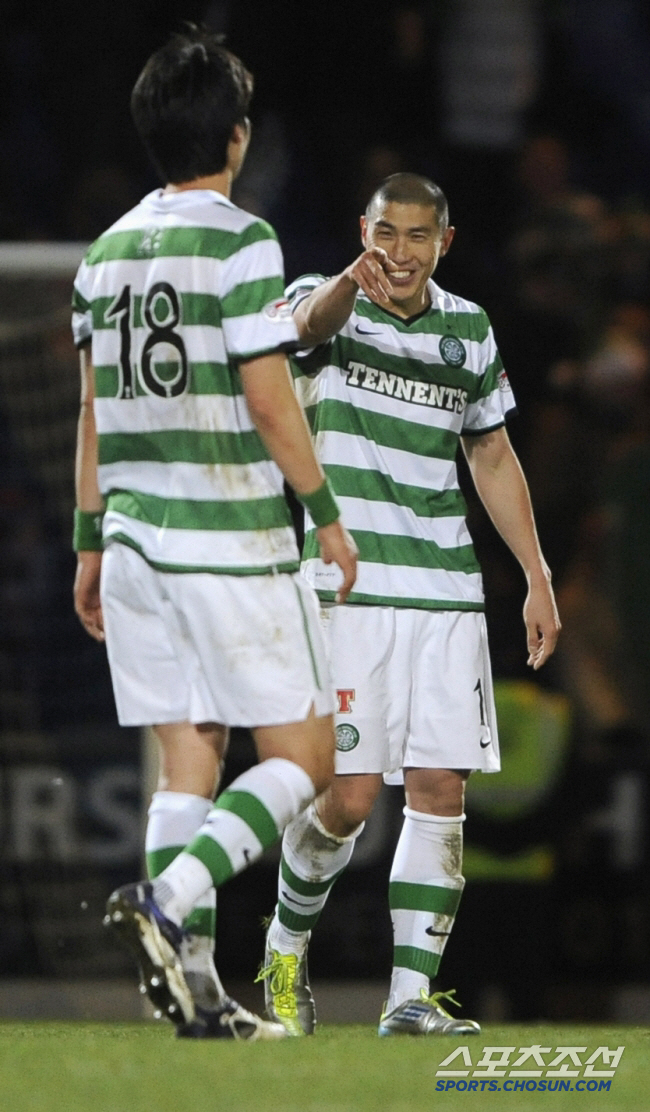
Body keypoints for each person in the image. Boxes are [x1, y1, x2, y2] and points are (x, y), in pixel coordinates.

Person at [71, 26, 357, 1041]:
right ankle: (163, 900)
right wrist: (321, 511)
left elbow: (92, 410)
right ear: (234, 138)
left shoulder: (103, 254)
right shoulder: (241, 241)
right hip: (228, 537)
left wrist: (88, 540)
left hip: (139, 543)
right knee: (305, 755)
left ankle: (195, 992)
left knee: (188, 758)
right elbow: (268, 397)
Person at [257, 173, 561, 1037]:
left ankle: (410, 1000)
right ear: (364, 229)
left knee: (439, 787)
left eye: (417, 237)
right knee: (349, 800)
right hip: (347, 589)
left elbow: (492, 455)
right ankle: (283, 952)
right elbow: (305, 328)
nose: (399, 252)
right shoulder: (327, 303)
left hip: (446, 591)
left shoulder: (468, 330)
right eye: (386, 233)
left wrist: (535, 575)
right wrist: (348, 281)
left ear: (445, 243)